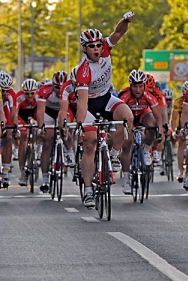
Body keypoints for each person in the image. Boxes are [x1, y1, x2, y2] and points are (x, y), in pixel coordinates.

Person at [75, 11, 135, 208]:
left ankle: (115, 154)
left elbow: (119, 32)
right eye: (91, 46)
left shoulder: (107, 50)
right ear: (84, 49)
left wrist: (125, 20)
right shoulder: (84, 70)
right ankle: (88, 190)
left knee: (128, 117)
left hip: (107, 98)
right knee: (90, 144)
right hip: (90, 105)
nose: (97, 49)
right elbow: (82, 102)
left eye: (98, 45)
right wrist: (80, 125)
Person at [118, 69, 161, 194]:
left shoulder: (149, 94)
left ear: (144, 86)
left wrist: (159, 130)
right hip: (129, 117)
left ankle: (147, 150)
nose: (138, 90)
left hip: (143, 115)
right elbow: (117, 113)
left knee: (152, 124)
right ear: (130, 86)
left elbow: (158, 115)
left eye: (141, 86)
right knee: (127, 147)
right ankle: (126, 181)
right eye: (135, 86)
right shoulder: (124, 95)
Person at [36, 71, 68, 192]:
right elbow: (40, 111)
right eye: (57, 87)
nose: (60, 90)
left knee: (66, 130)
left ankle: (68, 152)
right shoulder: (45, 89)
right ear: (52, 85)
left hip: (63, 111)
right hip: (48, 112)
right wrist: (41, 127)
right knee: (47, 142)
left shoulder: (70, 89)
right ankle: (45, 179)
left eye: (62, 87)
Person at [0, 70, 17, 187]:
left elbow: (13, 113)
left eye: (6, 90)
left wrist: (15, 128)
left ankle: (6, 170)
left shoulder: (11, 93)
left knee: (8, 138)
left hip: (5, 111)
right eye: (2, 90)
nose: (4, 92)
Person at [16, 78, 40, 186]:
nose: (30, 96)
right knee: (23, 137)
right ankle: (22, 171)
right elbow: (15, 114)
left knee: (39, 130)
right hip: (22, 115)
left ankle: (37, 149)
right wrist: (17, 127)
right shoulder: (19, 97)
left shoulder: (39, 97)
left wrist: (39, 125)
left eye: (32, 93)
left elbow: (41, 113)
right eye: (27, 93)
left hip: (34, 113)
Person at [170, 81, 188, 182]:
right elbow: (174, 118)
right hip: (182, 122)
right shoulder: (179, 100)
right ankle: (180, 171)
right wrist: (175, 130)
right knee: (181, 143)